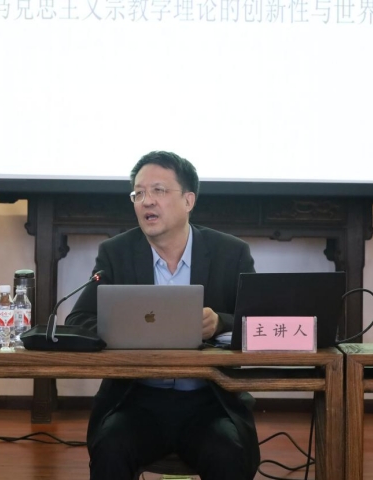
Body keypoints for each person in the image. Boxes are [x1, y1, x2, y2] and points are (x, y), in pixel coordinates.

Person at [66, 151, 260, 480]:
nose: (147, 201)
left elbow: (257, 323)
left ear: (188, 200)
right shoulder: (116, 253)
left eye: (158, 190)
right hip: (136, 400)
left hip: (209, 401)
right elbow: (78, 322)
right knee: (111, 448)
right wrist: (124, 326)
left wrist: (220, 323)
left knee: (228, 451)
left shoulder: (230, 253)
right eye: (138, 193)